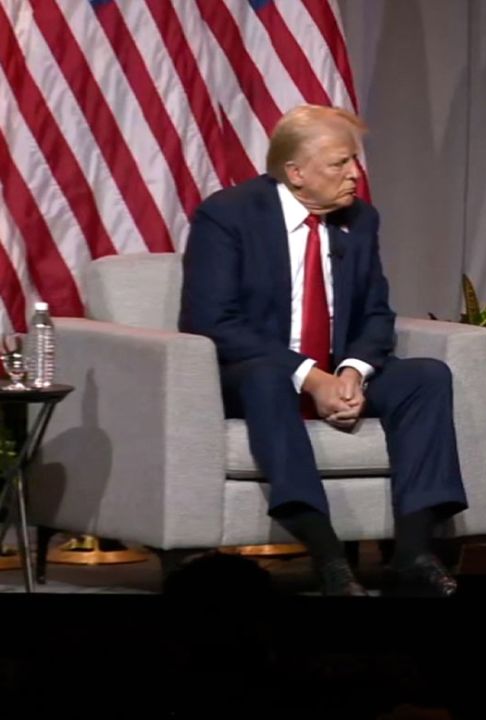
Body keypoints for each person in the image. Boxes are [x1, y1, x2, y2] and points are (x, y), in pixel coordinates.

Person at [179, 104, 467, 597]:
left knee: (427, 376)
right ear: (295, 172)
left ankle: (414, 553)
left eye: (354, 161)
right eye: (340, 163)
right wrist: (312, 377)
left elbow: (377, 314)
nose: (354, 174)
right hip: (254, 377)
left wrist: (353, 372)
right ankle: (327, 554)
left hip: (335, 374)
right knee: (268, 376)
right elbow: (211, 321)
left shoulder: (360, 221)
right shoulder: (228, 215)